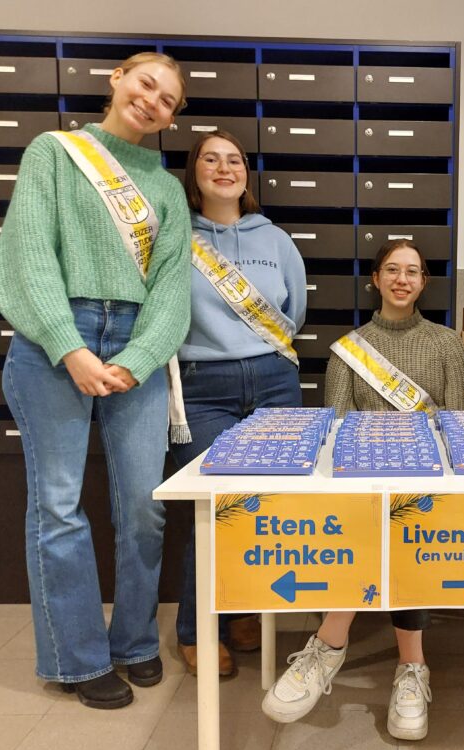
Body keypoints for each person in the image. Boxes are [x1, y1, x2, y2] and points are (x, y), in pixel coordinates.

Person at [0, 52, 191, 709]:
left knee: (144, 507)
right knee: (57, 505)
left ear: (171, 118)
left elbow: (172, 290)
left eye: (167, 100)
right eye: (146, 84)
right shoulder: (54, 152)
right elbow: (30, 254)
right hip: (54, 339)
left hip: (137, 346)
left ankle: (134, 641)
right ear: (117, 79)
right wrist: (68, 346)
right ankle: (75, 659)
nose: (152, 101)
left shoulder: (166, 190)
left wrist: (138, 358)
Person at [261, 238, 464, 741]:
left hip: (427, 483)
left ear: (424, 282)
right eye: (392, 270)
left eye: (412, 271)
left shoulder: (447, 343)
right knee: (376, 517)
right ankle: (410, 666)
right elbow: (335, 430)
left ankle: (330, 645)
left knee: (401, 518)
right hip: (364, 481)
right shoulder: (349, 349)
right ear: (375, 279)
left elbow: (457, 426)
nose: (402, 279)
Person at [169, 129, 307, 677]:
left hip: (274, 381)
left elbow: (294, 312)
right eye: (211, 159)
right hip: (203, 386)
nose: (224, 168)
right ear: (195, 172)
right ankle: (196, 628)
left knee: (264, 507)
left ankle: (243, 611)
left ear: (246, 174)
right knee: (214, 506)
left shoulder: (275, 239)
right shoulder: (176, 236)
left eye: (234, 160)